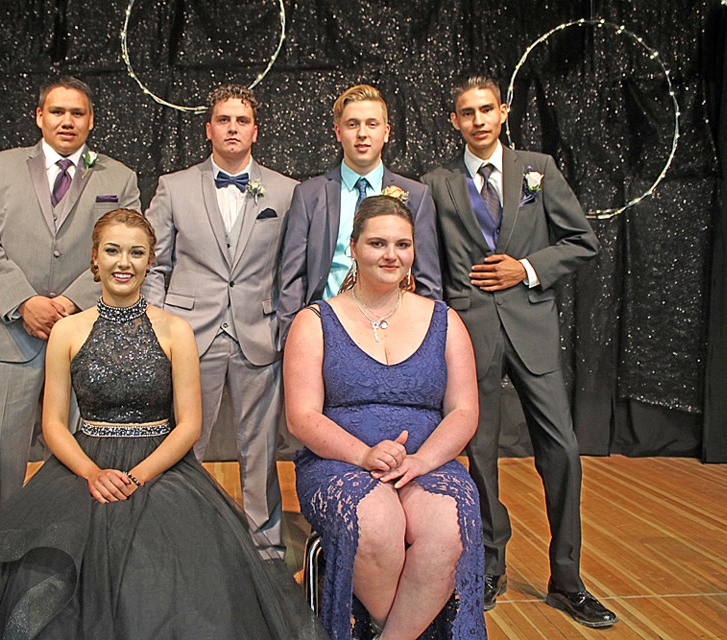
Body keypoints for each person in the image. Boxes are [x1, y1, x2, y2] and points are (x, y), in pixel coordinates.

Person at [0, 209, 328, 639]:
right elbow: (53, 423)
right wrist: (92, 473)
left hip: (157, 469)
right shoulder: (68, 331)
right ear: (94, 260)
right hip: (84, 466)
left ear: (150, 261)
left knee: (158, 575)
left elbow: (189, 425)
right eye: (112, 251)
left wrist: (137, 476)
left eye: (135, 252)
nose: (123, 262)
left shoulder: (176, 331)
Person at [423, 74, 616, 627]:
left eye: (487, 109)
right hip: (469, 330)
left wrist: (526, 269)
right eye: (467, 112)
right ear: (454, 121)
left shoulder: (539, 168)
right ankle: (489, 565)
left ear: (503, 112)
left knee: (563, 451)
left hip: (531, 327)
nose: (478, 120)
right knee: (479, 452)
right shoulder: (437, 183)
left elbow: (582, 240)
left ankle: (567, 577)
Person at [285, 195, 486, 640]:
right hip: (339, 460)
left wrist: (422, 461)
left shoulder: (445, 321)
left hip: (427, 461)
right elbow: (301, 418)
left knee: (447, 527)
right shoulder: (315, 321)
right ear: (352, 248)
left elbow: (464, 410)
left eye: (402, 244)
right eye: (377, 243)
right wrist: (363, 454)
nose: (391, 255)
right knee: (376, 524)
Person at [0, 75, 140, 541]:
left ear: (91, 121)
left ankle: (73, 559)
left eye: (77, 113)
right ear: (39, 117)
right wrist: (24, 303)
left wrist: (67, 303)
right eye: (57, 112)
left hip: (86, 336)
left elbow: (128, 246)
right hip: (6, 337)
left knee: (85, 458)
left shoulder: (118, 178)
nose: (67, 121)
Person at [142, 84, 296, 555]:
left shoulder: (286, 191)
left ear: (255, 130)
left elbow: (291, 268)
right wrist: (155, 325)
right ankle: (175, 536)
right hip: (189, 334)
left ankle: (266, 545)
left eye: (241, 120)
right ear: (209, 129)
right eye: (224, 120)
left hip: (258, 334)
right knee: (184, 442)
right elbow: (154, 263)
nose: (233, 128)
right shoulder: (174, 185)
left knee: (262, 447)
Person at [277, 84, 442, 346]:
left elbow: (428, 281)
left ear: (386, 132)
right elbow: (293, 279)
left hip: (396, 334)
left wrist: (427, 344)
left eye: (372, 124)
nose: (362, 134)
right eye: (353, 124)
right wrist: (293, 340)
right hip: (327, 331)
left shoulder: (416, 195)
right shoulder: (310, 195)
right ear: (338, 132)